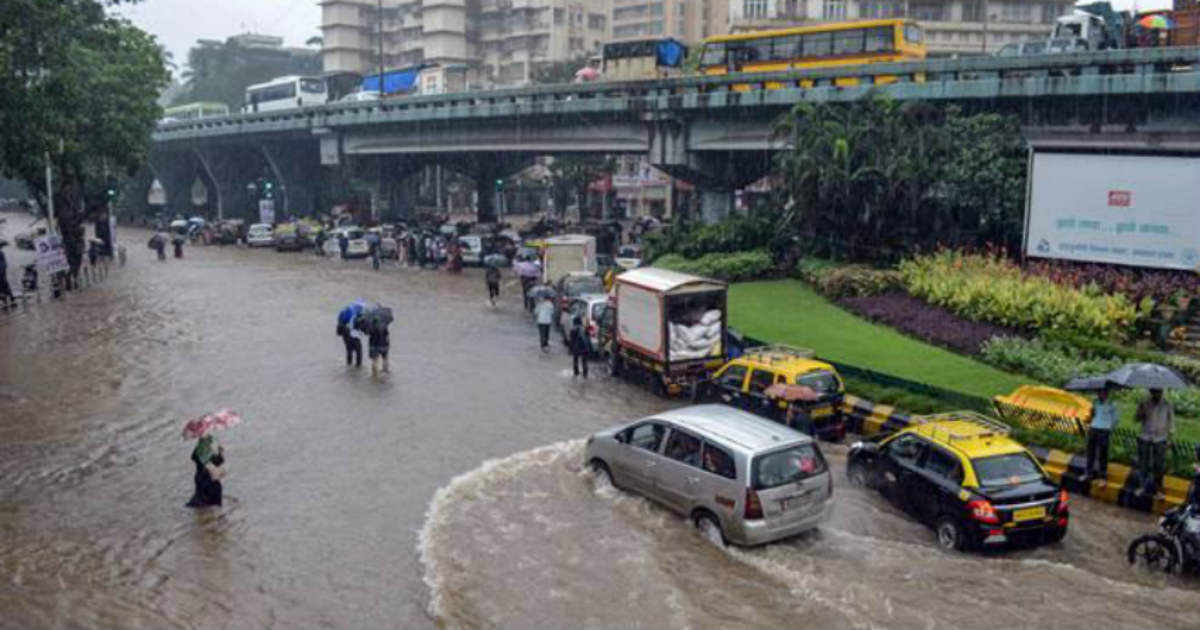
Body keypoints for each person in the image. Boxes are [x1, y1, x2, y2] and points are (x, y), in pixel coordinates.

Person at [1135, 387, 1175, 497]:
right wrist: (1141, 409)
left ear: (1162, 392)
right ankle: (1142, 486)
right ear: (1151, 392)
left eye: (1159, 392)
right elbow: (1137, 418)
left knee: (1159, 465)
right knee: (1143, 463)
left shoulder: (1167, 404)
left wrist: (1171, 438)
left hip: (1160, 437)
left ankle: (1158, 489)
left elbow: (1171, 421)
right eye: (1154, 392)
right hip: (1145, 435)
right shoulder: (1145, 403)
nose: (1157, 395)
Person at [1085, 384, 1117, 484]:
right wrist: (1091, 415)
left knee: (1103, 454)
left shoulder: (1112, 404)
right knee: (1091, 452)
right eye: (1099, 392)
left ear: (1106, 393)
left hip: (1104, 430)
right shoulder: (1095, 403)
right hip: (1094, 428)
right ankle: (1088, 473)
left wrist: (1109, 427)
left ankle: (1102, 476)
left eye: (1103, 392)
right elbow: (1091, 416)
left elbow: (1115, 419)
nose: (1101, 394)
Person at [186, 434, 225, 508]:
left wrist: (220, 452)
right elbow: (219, 461)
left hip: (201, 478)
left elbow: (193, 457)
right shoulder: (208, 453)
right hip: (209, 478)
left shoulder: (199, 452)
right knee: (212, 500)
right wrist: (220, 452)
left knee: (202, 498)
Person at [0, 241, 13, 309]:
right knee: (2, 287)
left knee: (4, 286)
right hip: (1, 273)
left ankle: (11, 299)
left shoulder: (1, 254)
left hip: (1, 273)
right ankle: (5, 302)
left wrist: (2, 272)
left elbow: (4, 264)